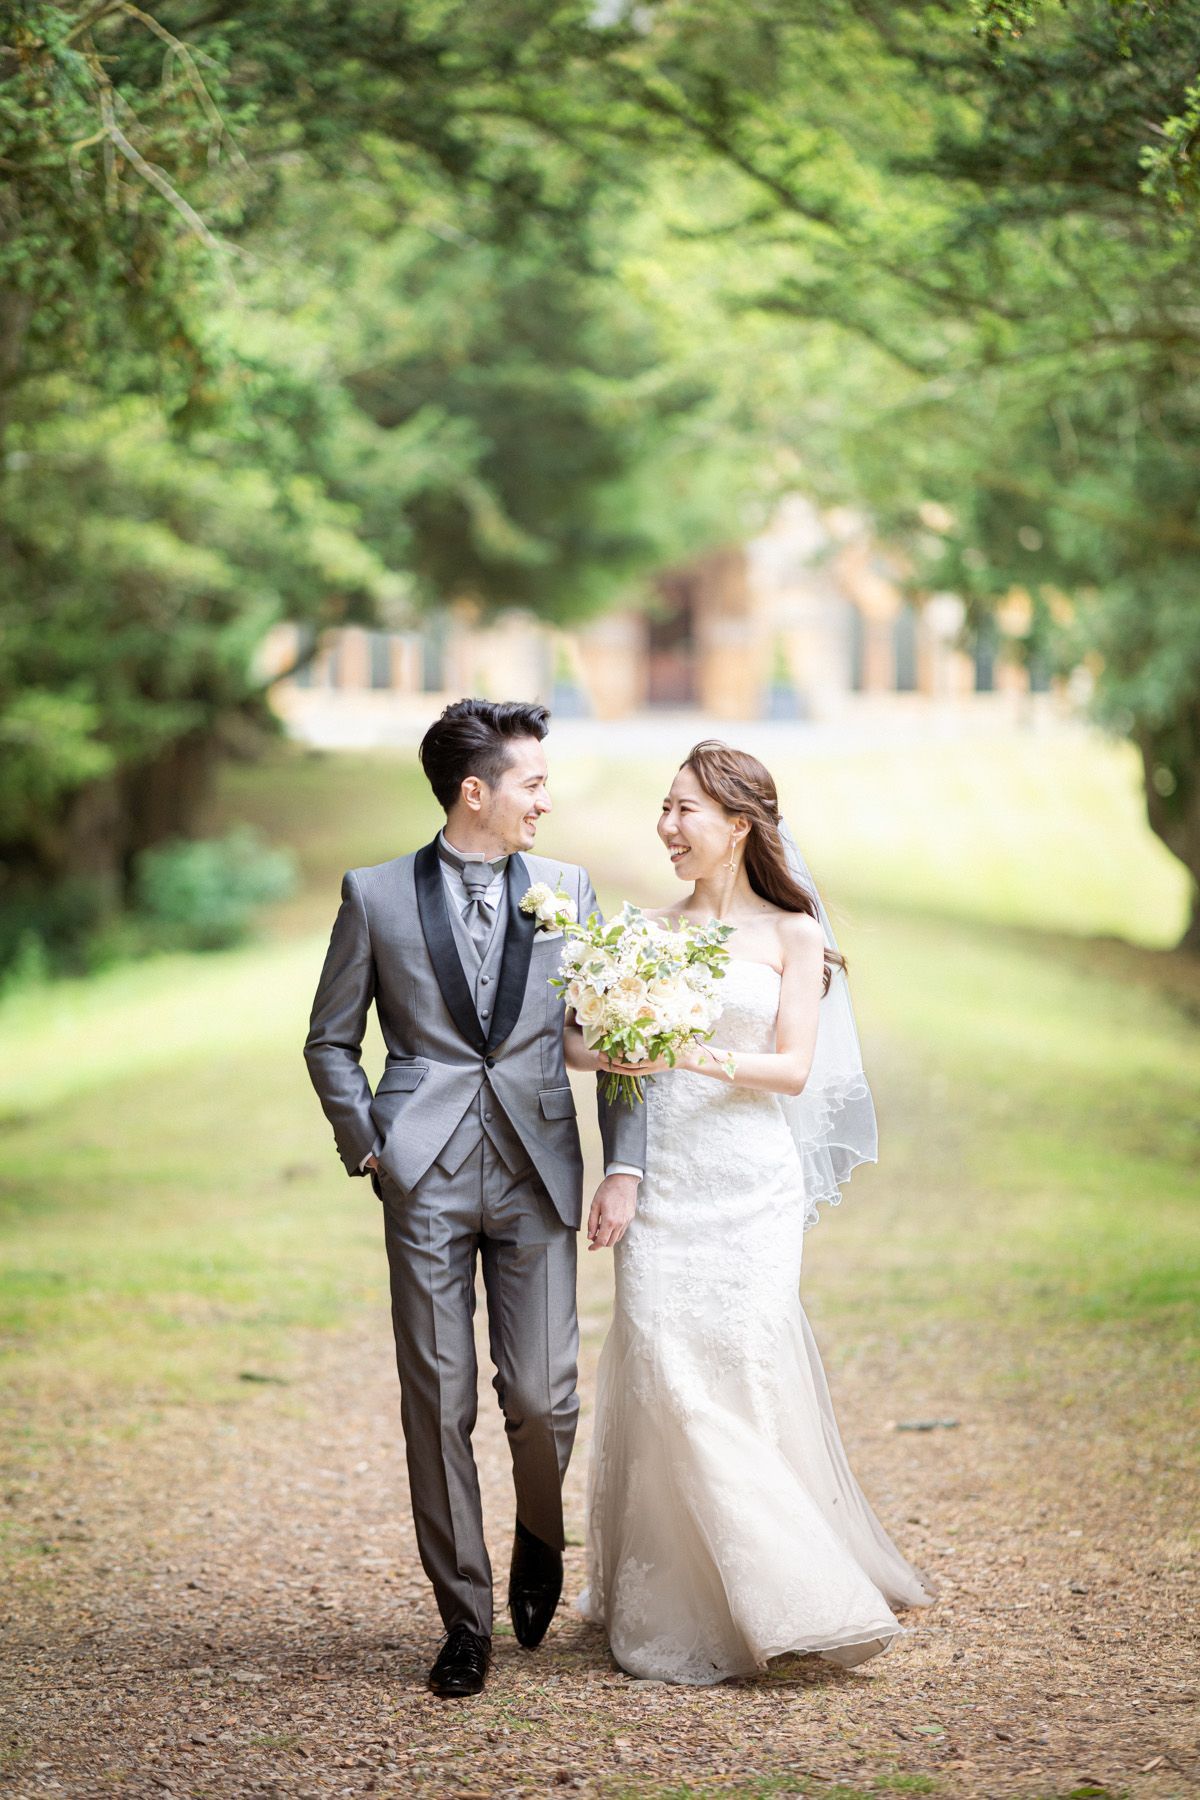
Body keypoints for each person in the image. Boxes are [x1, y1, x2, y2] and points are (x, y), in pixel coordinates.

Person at [572, 739, 935, 1685]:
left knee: (738, 1364)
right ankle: (706, 1589)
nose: (666, 826)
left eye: (684, 809)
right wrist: (622, 1160)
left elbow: (792, 1068)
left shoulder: (793, 935)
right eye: (662, 807)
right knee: (661, 1363)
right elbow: (602, 1061)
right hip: (666, 1188)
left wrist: (683, 1050)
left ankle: (783, 1582)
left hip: (748, 1183)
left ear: (738, 825)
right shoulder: (639, 935)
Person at [303, 699, 646, 1698]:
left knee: (543, 1399)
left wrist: (621, 1160)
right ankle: (464, 1617)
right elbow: (331, 1039)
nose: (548, 799)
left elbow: (618, 1034)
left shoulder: (568, 888)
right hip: (425, 1175)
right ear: (476, 792)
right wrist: (370, 1147)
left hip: (539, 1166)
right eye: (533, 783)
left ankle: (541, 1533)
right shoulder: (374, 896)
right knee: (438, 1402)